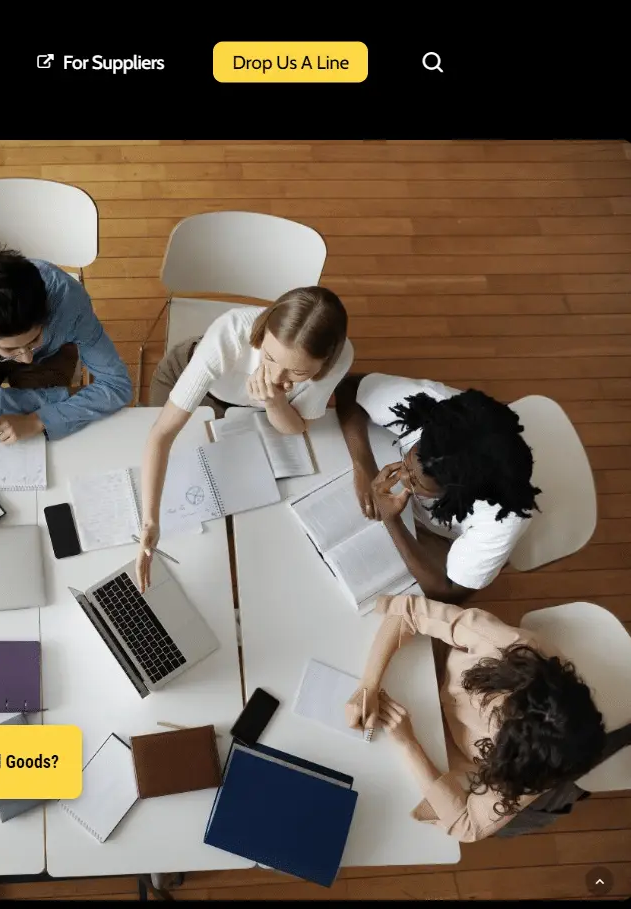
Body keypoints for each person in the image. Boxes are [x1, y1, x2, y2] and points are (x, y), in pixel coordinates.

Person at [134, 288, 353, 588]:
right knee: (185, 478)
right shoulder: (229, 333)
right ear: (262, 334)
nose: (275, 376)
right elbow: (162, 433)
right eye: (269, 357)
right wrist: (150, 522)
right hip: (195, 383)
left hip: (253, 406)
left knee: (239, 506)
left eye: (297, 372)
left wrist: (274, 401)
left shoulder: (340, 359)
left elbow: (296, 427)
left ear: (325, 363)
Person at [343, 593, 606, 842]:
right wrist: (368, 685)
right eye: (498, 716)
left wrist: (408, 744)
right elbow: (407, 611)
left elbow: (469, 826)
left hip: (449, 756)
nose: (491, 724)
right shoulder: (505, 646)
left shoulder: (540, 763)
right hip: (428, 675)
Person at [335, 373, 539, 603]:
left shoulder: (505, 516)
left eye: (415, 482)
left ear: (458, 493)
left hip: (448, 539)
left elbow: (448, 593)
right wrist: (364, 466)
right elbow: (350, 387)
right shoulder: (428, 407)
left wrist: (392, 521)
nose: (401, 476)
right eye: (408, 461)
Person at [0, 245, 131, 446]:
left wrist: (38, 420)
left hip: (50, 354)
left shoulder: (71, 301)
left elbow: (117, 385)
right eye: (10, 349)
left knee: (45, 442)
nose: (26, 359)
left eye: (33, 339)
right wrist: (68, 399)